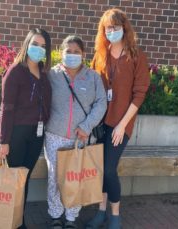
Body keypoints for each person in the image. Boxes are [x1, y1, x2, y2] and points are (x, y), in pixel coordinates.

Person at [86, 8, 150, 229]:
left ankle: (115, 214)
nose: (111, 31)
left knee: (109, 169)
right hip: (100, 124)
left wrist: (122, 125)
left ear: (125, 28)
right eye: (108, 28)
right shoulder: (100, 56)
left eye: (115, 27)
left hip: (121, 124)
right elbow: (90, 85)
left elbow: (140, 93)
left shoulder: (136, 57)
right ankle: (101, 212)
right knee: (101, 169)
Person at [44, 35, 107, 229]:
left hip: (81, 137)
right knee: (55, 177)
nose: (72, 55)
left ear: (83, 54)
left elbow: (101, 103)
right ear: (61, 52)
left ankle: (71, 218)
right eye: (68, 51)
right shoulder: (51, 75)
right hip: (55, 136)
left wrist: (86, 126)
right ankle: (56, 216)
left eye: (77, 52)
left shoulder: (93, 77)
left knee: (76, 178)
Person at [0, 28, 52, 229]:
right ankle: (9, 222)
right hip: (17, 133)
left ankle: (18, 220)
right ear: (27, 44)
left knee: (24, 178)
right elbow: (6, 107)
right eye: (35, 44)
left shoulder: (44, 74)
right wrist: (3, 140)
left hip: (36, 134)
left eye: (43, 46)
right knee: (13, 179)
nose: (39, 48)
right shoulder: (15, 71)